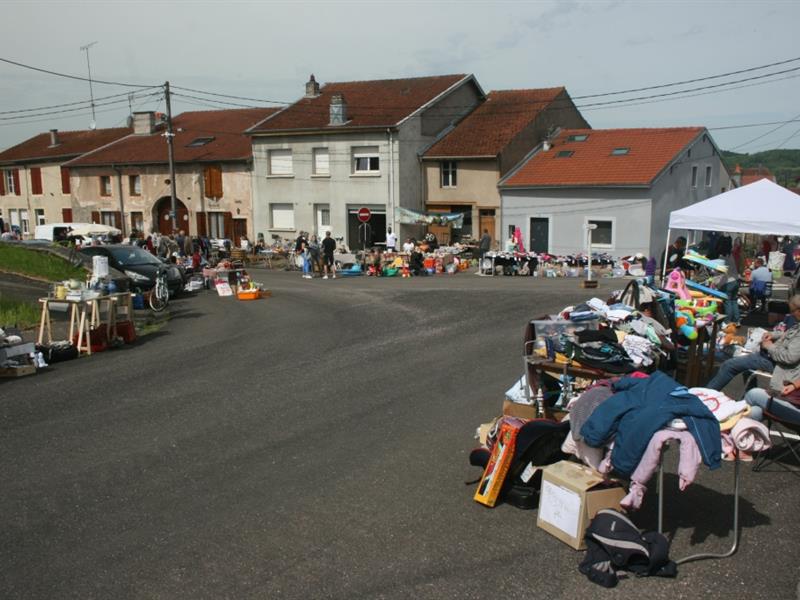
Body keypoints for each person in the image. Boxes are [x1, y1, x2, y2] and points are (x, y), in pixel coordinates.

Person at [742, 295, 800, 426]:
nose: (791, 314)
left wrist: (770, 346)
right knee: (755, 412)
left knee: (752, 394)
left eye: (792, 311)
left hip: (794, 405)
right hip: (791, 394)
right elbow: (788, 335)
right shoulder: (797, 326)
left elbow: (789, 357)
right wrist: (794, 386)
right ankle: (739, 431)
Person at [715, 250, 740, 325]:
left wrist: (718, 285)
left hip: (729, 283)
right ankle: (736, 320)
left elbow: (722, 277)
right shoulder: (731, 260)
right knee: (733, 301)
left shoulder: (722, 261)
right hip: (735, 281)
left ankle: (727, 321)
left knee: (727, 301)